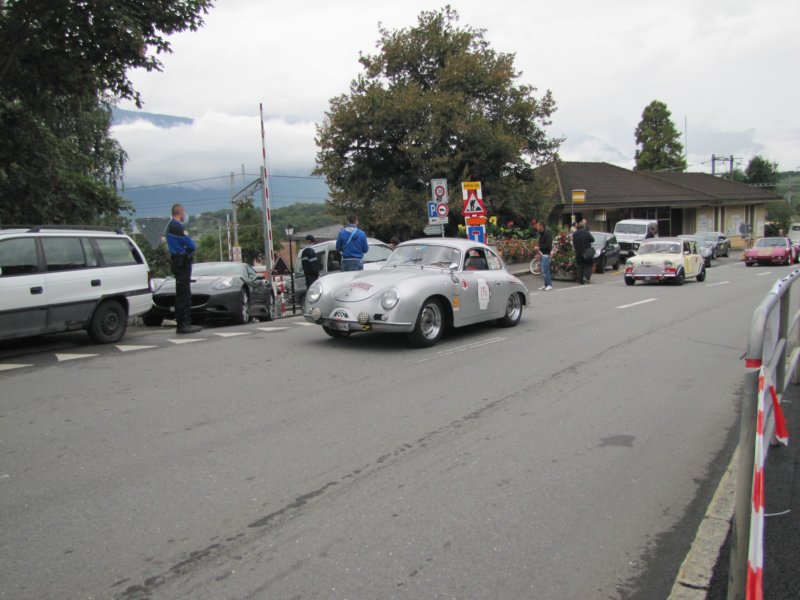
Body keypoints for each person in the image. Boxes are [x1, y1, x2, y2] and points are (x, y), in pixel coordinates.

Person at [166, 203, 201, 334]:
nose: (185, 214)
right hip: (182, 262)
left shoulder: (172, 226)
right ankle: (183, 324)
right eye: (184, 212)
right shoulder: (177, 226)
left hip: (178, 262)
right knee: (184, 295)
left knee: (183, 293)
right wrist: (188, 247)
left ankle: (184, 323)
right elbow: (191, 244)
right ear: (180, 213)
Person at [534, 221, 553, 291]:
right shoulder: (542, 233)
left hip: (545, 254)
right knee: (543, 270)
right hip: (542, 254)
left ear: (542, 226)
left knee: (545, 270)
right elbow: (541, 243)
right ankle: (546, 284)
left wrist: (539, 248)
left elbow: (548, 245)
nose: (537, 227)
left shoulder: (548, 233)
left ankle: (549, 285)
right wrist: (538, 246)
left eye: (538, 226)